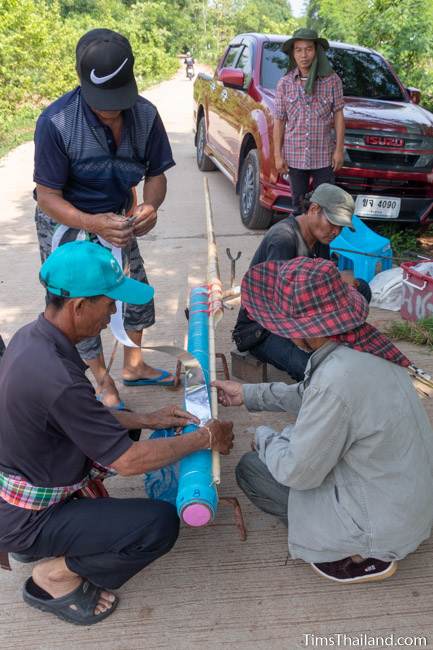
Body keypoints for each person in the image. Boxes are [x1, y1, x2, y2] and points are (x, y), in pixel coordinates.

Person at [0, 241, 234, 624]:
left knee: (123, 424)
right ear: (79, 305)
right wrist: (206, 437)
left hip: (24, 477)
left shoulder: (35, 338)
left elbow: (79, 415)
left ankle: (46, 540)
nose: (113, 314)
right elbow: (127, 463)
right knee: (157, 526)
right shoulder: (56, 376)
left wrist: (150, 420)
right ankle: (54, 576)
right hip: (24, 517)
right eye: (109, 304)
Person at [216, 256, 433, 584]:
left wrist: (263, 437)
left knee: (253, 468)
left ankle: (356, 553)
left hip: (385, 527)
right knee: (292, 439)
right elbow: (311, 394)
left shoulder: (337, 378)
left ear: (302, 330)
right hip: (409, 504)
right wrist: (247, 394)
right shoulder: (367, 348)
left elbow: (296, 471)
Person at [33, 28, 176, 409]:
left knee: (136, 294)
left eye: (119, 98)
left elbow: (157, 174)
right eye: (102, 101)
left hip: (117, 219)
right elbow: (47, 196)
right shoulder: (57, 123)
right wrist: (89, 223)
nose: (112, 109)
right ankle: (101, 380)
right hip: (66, 219)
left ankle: (133, 364)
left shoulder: (145, 116)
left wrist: (150, 206)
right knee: (78, 304)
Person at [233, 183, 371, 381]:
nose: (336, 232)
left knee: (361, 288)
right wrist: (308, 342)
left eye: (340, 227)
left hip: (302, 315)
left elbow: (320, 284)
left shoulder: (320, 238)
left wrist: (341, 283)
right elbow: (276, 309)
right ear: (314, 209)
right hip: (262, 328)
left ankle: (337, 342)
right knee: (313, 370)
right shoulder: (283, 239)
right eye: (332, 223)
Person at [274, 28, 345, 215]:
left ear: (317, 51)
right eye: (298, 50)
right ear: (293, 53)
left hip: (324, 156)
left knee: (325, 210)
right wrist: (277, 155)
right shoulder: (285, 83)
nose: (304, 55)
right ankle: (300, 244)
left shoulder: (332, 81)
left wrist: (339, 150)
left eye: (308, 49)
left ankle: (321, 245)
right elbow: (279, 120)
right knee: (298, 209)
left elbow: (338, 115)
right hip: (295, 156)